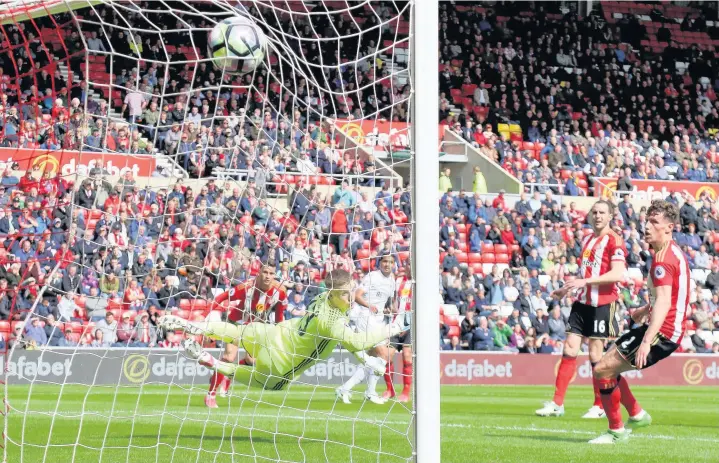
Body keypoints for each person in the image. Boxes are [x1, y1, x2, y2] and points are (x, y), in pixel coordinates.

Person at [160, 269, 410, 391]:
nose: (351, 297)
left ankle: (196, 326)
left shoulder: (320, 300)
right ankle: (209, 360)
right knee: (270, 384)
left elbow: (346, 342)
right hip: (281, 362)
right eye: (346, 294)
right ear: (334, 295)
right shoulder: (331, 322)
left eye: (352, 291)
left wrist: (365, 358)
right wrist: (397, 326)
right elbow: (355, 341)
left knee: (237, 332)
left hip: (271, 332)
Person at [589, 200, 688, 444]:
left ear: (669, 228)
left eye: (654, 222)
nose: (647, 227)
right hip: (664, 327)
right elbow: (671, 296)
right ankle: (636, 414)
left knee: (602, 369)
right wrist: (645, 309)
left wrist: (646, 341)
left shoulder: (663, 260)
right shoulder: (670, 252)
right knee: (607, 365)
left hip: (661, 333)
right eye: (647, 220)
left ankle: (616, 431)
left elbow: (665, 302)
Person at [536, 200, 628, 419]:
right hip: (582, 302)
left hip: (603, 302)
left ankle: (599, 405)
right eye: (594, 212)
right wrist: (564, 290)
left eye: (602, 212)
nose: (597, 215)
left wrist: (584, 283)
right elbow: (584, 275)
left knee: (595, 353)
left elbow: (617, 274)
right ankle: (557, 404)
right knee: (569, 348)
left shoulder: (615, 241)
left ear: (610, 216)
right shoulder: (587, 239)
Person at [203, 262, 288, 408]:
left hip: (255, 327)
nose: (268, 276)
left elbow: (280, 315)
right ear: (259, 272)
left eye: (271, 273)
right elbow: (222, 297)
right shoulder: (246, 287)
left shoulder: (280, 292)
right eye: (265, 272)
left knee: (251, 360)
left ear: (275, 275)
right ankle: (211, 395)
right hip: (236, 323)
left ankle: (225, 377)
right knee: (229, 357)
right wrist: (205, 319)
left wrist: (281, 334)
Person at [336, 254, 397, 405]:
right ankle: (370, 392)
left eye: (390, 262)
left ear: (394, 264)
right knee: (383, 354)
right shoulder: (372, 276)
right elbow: (356, 296)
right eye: (384, 261)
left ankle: (345, 388)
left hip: (379, 319)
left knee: (371, 359)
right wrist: (369, 306)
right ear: (380, 263)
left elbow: (388, 302)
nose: (387, 264)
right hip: (365, 317)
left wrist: (390, 310)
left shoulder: (392, 280)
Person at [383, 264, 413, 403]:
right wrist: (391, 309)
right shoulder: (399, 282)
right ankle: (390, 390)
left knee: (407, 356)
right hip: (396, 324)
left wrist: (407, 324)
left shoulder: (420, 284)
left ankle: (406, 392)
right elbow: (394, 303)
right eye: (408, 264)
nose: (409, 267)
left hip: (412, 326)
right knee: (386, 355)